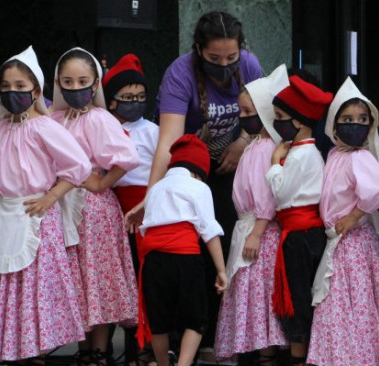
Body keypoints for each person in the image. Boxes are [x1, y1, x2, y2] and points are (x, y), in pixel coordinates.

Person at [125, 13, 262, 358]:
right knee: (189, 250)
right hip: (187, 168)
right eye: (214, 59)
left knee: (226, 240)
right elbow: (167, 141)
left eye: (231, 59)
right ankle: (176, 338)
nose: (224, 66)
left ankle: (217, 335)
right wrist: (150, 196)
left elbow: (261, 116)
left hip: (234, 164)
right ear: (199, 50)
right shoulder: (180, 73)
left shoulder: (249, 64)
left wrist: (242, 141)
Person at [0, 46, 91, 363]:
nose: (12, 92)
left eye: (20, 87)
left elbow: (78, 167)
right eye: (5, 87)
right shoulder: (0, 128)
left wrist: (50, 197)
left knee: (33, 291)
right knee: (3, 286)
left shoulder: (45, 127)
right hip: (3, 214)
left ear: (36, 90)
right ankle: (10, 350)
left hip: (36, 217)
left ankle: (35, 353)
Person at [308, 77, 379, 365]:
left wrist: (354, 216)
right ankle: (343, 351)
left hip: (353, 241)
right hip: (339, 239)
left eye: (363, 119)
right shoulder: (333, 154)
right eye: (348, 118)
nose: (356, 124)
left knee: (353, 297)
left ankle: (357, 352)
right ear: (334, 124)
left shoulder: (361, 157)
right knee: (341, 297)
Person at [51, 47, 139, 364]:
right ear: (58, 83)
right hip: (59, 206)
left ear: (95, 83)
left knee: (98, 279)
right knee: (77, 280)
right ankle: (84, 349)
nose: (75, 88)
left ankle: (100, 352)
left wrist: (101, 183)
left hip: (93, 209)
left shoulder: (100, 118)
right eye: (68, 82)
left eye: (83, 81)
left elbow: (127, 157)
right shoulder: (53, 118)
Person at [214, 65, 289, 365]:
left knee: (259, 298)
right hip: (248, 228)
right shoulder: (257, 145)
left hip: (260, 233)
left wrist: (257, 232)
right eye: (241, 110)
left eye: (249, 111)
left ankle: (266, 355)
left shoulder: (267, 147)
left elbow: (266, 196)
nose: (244, 117)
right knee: (251, 296)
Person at [136, 134, 227, 366]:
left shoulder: (155, 189)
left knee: (159, 321)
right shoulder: (198, 187)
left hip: (154, 261)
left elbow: (146, 229)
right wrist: (221, 270)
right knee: (196, 318)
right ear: (198, 171)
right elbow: (209, 231)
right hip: (185, 258)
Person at [265, 75, 332, 366]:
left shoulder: (300, 155)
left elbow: (281, 193)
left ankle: (300, 356)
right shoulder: (306, 152)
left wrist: (274, 164)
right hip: (305, 232)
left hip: (299, 234)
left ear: (301, 121)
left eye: (281, 117)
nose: (277, 124)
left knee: (298, 295)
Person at [102, 53, 159, 365]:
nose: (135, 102)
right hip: (112, 210)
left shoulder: (152, 131)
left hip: (145, 211)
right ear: (112, 101)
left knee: (143, 279)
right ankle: (104, 346)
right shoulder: (104, 128)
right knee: (115, 280)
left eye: (140, 97)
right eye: (127, 97)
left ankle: (144, 347)